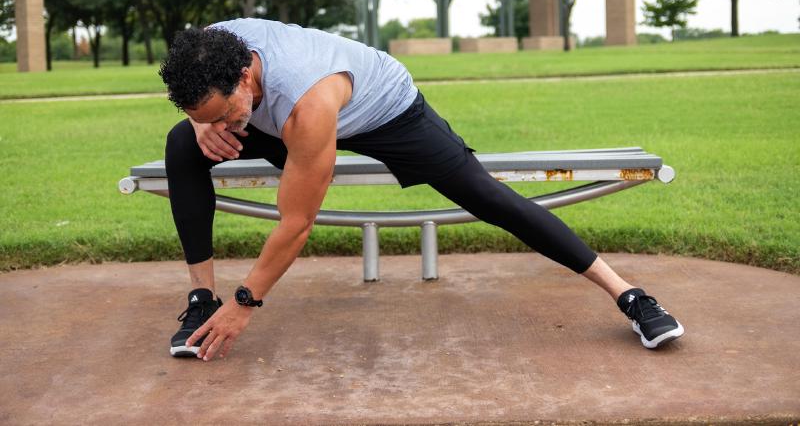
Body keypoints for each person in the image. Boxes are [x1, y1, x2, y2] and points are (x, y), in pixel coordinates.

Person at [158, 18, 684, 361]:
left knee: (488, 197)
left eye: (227, 111)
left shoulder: (307, 102)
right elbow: (201, 100)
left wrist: (247, 302)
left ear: (246, 75)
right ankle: (202, 298)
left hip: (389, 112)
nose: (225, 122)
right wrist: (200, 123)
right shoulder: (211, 48)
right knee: (183, 145)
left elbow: (296, 225)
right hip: (284, 117)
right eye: (210, 113)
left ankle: (630, 296)